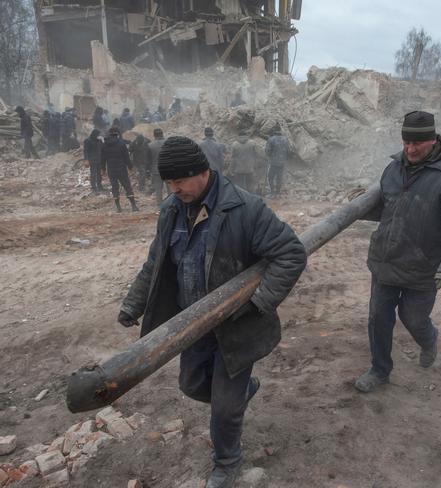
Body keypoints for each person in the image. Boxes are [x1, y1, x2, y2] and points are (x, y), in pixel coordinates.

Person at [118, 136, 307, 488]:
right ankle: (241, 393)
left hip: (236, 326)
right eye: (169, 183)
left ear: (203, 172)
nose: (174, 189)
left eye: (180, 181)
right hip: (192, 324)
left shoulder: (246, 208)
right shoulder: (171, 210)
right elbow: (156, 263)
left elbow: (291, 253)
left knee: (223, 407)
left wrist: (259, 303)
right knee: (191, 385)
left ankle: (227, 463)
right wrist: (134, 302)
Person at [354, 111, 441, 393]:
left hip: (423, 266)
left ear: (433, 140)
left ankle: (429, 339)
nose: (410, 149)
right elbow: (389, 207)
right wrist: (362, 204)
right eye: (406, 142)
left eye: (417, 144)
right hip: (386, 261)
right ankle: (379, 370)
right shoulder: (393, 168)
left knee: (413, 319)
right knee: (378, 318)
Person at [101, 127, 139, 212]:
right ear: (117, 134)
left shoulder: (104, 144)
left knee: (115, 187)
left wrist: (103, 169)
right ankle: (134, 206)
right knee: (127, 186)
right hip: (121, 168)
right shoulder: (121, 143)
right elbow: (126, 157)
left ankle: (118, 208)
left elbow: (102, 159)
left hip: (111, 169)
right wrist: (130, 167)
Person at [265, 127, 290, 196]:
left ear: (274, 132)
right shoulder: (285, 139)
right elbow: (288, 151)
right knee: (279, 177)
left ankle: (272, 192)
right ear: (280, 131)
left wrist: (269, 155)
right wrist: (285, 158)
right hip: (282, 162)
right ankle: (278, 192)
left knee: (270, 177)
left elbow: (267, 151)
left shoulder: (271, 139)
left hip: (273, 162)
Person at [149, 128, 166, 205]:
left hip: (156, 170)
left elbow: (148, 159)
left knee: (158, 189)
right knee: (171, 188)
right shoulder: (168, 143)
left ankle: (160, 204)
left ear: (154, 135)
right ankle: (173, 203)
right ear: (162, 134)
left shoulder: (150, 145)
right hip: (168, 168)